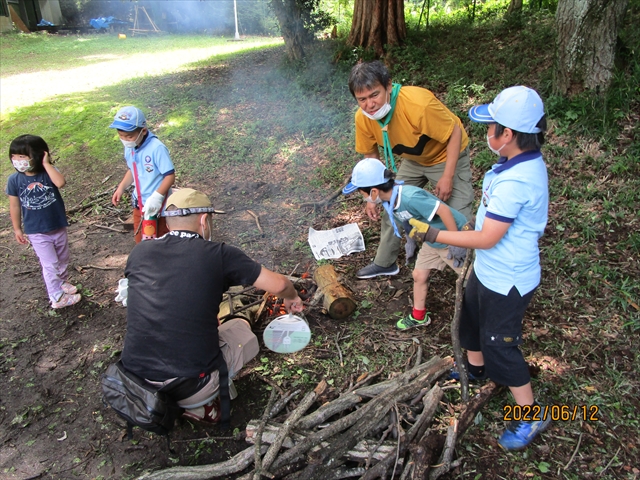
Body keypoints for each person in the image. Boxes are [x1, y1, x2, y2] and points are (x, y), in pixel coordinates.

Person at [408, 86, 550, 450]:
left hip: (510, 278)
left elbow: (488, 238)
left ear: (509, 135)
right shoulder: (510, 163)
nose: (486, 134)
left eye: (492, 127)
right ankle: (476, 370)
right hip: (488, 271)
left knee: (500, 344)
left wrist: (437, 234)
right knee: (470, 321)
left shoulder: (520, 179)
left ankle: (531, 416)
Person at [119, 188, 304, 424]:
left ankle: (172, 403)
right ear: (204, 220)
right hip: (190, 383)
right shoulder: (219, 254)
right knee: (241, 330)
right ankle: (201, 406)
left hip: (136, 379)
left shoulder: (139, 252)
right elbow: (279, 284)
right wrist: (292, 297)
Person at [348, 61, 474, 279]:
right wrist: (372, 195)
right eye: (362, 99)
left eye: (374, 95)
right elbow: (371, 158)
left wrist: (447, 176)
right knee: (390, 201)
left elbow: (454, 132)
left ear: (388, 86)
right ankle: (385, 263)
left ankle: (472, 270)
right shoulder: (363, 118)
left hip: (446, 154)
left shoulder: (418, 104)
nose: (370, 104)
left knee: (459, 216)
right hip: (414, 160)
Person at [343, 158, 472, 330]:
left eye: (362, 193)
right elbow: (407, 219)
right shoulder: (389, 200)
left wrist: (457, 241)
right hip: (431, 240)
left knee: (473, 279)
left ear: (374, 192)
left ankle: (489, 309)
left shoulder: (410, 197)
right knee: (419, 275)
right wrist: (411, 239)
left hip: (450, 237)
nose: (363, 197)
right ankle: (419, 316)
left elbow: (444, 210)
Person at [6, 135, 82, 309]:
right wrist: (17, 229)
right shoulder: (14, 180)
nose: (18, 161)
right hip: (36, 230)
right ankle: (56, 297)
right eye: (14, 157)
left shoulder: (48, 173)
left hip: (57, 225)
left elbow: (61, 183)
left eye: (22, 156)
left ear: (39, 155)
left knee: (62, 259)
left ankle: (61, 283)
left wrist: (47, 164)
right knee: (50, 264)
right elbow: (14, 206)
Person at [109, 106, 176, 243]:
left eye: (129, 136)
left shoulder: (157, 148)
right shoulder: (130, 148)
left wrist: (157, 197)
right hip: (140, 205)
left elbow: (170, 175)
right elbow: (133, 170)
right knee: (142, 243)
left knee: (162, 243)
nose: (125, 140)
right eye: (121, 136)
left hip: (159, 207)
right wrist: (121, 188)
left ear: (143, 131)